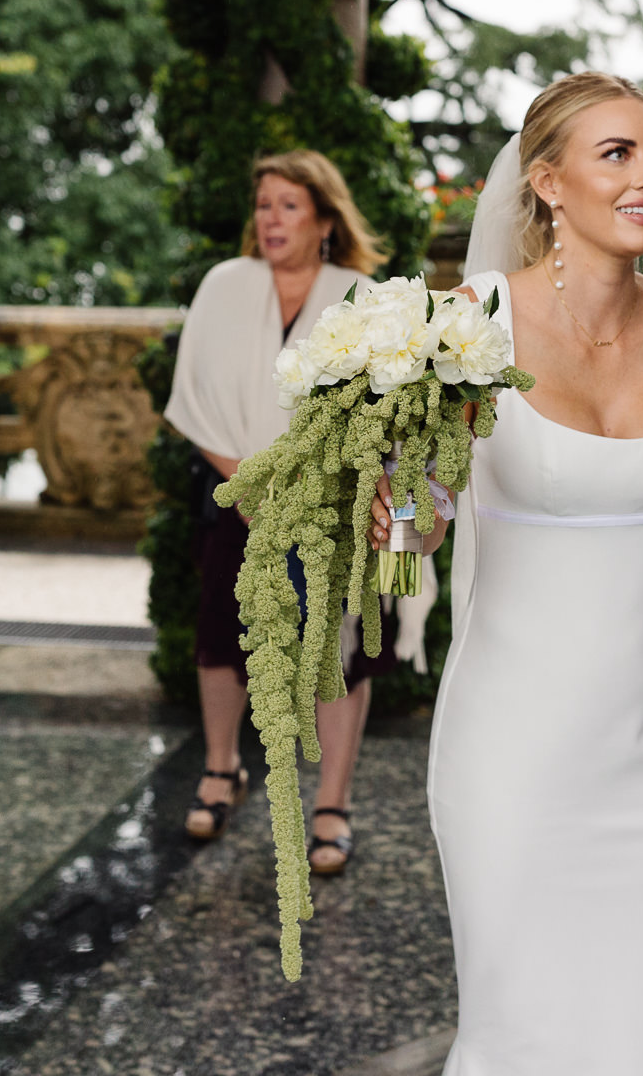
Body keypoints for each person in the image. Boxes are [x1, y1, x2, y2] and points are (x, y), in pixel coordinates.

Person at [371, 72, 643, 1072]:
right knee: (518, 1033)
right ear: (549, 182)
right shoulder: (470, 321)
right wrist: (389, 501)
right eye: (618, 154)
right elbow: (414, 537)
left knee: (638, 1043)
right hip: (508, 750)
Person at [165, 150, 402, 872]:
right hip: (236, 497)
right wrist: (253, 486)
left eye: (289, 205)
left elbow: (383, 404)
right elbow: (195, 390)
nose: (271, 218)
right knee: (223, 638)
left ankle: (331, 803)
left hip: (332, 511)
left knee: (340, 652)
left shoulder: (361, 295)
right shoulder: (224, 285)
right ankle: (219, 767)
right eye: (263, 204)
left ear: (325, 220)